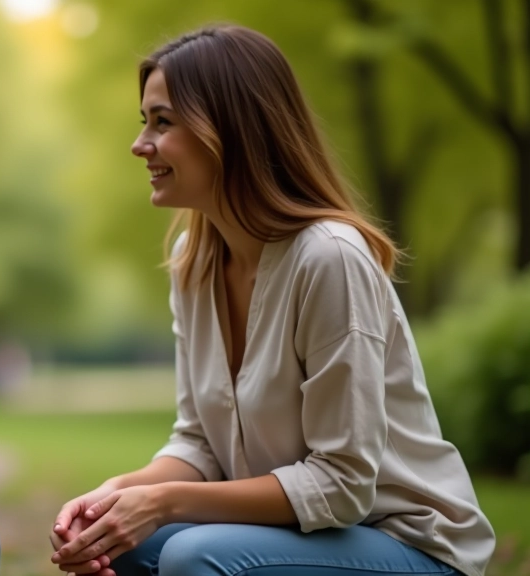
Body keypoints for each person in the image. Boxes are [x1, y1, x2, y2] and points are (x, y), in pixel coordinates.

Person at [49, 25, 495, 576]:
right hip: (302, 540)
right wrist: (116, 497)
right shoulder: (195, 261)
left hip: (408, 544)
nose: (141, 144)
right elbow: (201, 446)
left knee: (191, 555)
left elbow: (343, 484)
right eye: (145, 122)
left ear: (229, 130)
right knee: (127, 545)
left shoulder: (328, 259)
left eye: (162, 122)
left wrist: (165, 503)